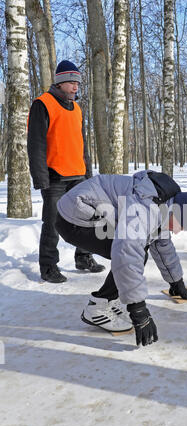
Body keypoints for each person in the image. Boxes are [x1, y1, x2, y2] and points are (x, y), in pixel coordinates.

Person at [55, 170, 187, 347]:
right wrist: (138, 310)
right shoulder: (146, 209)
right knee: (132, 251)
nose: (177, 231)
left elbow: (162, 244)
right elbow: (127, 254)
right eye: (181, 226)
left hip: (90, 208)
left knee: (139, 246)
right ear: (177, 212)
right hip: (76, 216)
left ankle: (110, 300)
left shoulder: (165, 204)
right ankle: (97, 308)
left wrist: (176, 282)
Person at [27, 60, 105, 283]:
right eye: (71, 82)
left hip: (78, 175)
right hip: (54, 177)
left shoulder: (77, 108)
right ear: (60, 83)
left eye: (77, 83)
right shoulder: (43, 104)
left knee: (85, 219)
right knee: (52, 223)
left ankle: (83, 257)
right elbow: (36, 144)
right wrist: (41, 178)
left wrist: (88, 173)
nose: (75, 87)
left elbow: (81, 144)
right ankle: (49, 267)